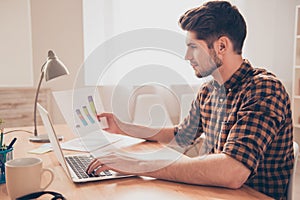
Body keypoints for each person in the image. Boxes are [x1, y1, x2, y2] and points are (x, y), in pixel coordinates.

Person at [87, 1, 294, 199]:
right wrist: (123, 127)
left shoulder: (263, 89)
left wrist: (138, 165)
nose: (187, 56)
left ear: (221, 46)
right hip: (218, 193)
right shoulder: (209, 90)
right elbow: (181, 134)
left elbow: (232, 171)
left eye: (193, 46)